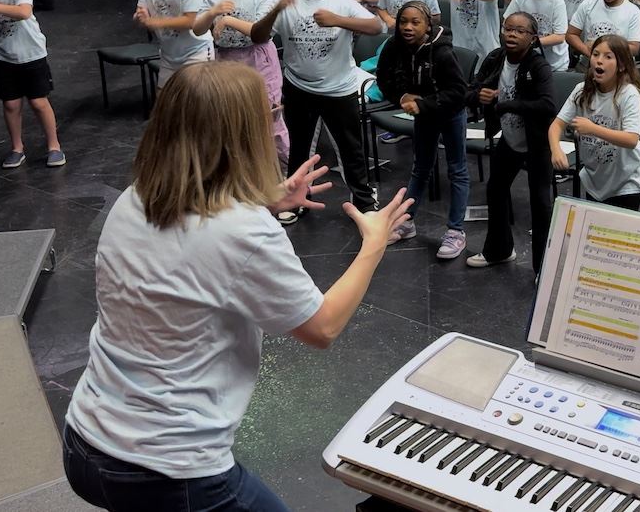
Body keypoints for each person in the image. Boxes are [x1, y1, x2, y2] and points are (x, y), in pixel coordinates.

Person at [61, 60, 413, 512]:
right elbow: (321, 327)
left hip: (85, 443)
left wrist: (261, 200)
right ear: (244, 134)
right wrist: (373, 245)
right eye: (267, 115)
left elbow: (195, 245)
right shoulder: (241, 230)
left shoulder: (139, 196)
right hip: (168, 471)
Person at [250, 0, 383, 223]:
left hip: (339, 89)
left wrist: (338, 20)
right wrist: (276, 11)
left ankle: (363, 200)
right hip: (300, 87)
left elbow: (376, 26)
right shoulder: (285, 3)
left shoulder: (342, 3)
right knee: (299, 148)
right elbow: (257, 36)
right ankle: (295, 200)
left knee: (351, 148)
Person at [375, 1, 469, 259]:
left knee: (457, 169)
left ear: (428, 26)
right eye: (403, 21)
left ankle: (456, 231)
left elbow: (459, 92)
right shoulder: (394, 46)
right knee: (421, 167)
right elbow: (383, 79)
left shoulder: (442, 52)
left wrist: (423, 104)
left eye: (415, 22)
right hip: (424, 114)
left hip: (449, 113)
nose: (407, 27)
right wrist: (403, 96)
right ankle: (407, 222)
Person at [465, 12, 556, 271]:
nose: (512, 35)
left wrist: (507, 105)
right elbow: (470, 90)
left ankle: (543, 269)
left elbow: (548, 105)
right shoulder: (496, 58)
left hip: (538, 144)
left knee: (540, 205)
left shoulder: (538, 66)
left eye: (519, 31)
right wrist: (478, 96)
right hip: (510, 139)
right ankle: (499, 250)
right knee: (495, 190)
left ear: (533, 38)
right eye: (508, 29)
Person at [192, 0, 287, 164]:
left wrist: (228, 19)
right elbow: (197, 28)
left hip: (258, 59)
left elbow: (259, 33)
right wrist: (213, 12)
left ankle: (283, 169)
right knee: (233, 117)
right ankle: (241, 169)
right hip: (227, 59)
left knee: (269, 118)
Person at [0, 0, 64, 168]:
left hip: (31, 53)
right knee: (11, 104)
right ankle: (17, 148)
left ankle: (54, 146)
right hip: (2, 55)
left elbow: (23, 11)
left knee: (38, 102)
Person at [550, 34, 640, 209]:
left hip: (626, 183)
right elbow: (556, 125)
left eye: (608, 57)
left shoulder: (628, 94)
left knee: (617, 235)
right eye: (595, 54)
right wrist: (556, 150)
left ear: (622, 66)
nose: (599, 61)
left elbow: (631, 139)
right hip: (595, 180)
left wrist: (593, 129)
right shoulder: (582, 90)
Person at [566, 0, 640, 62]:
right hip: (588, 65)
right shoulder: (588, 4)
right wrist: (590, 53)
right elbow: (571, 35)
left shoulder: (633, 11)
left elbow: (634, 48)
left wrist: (602, 49)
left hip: (618, 69)